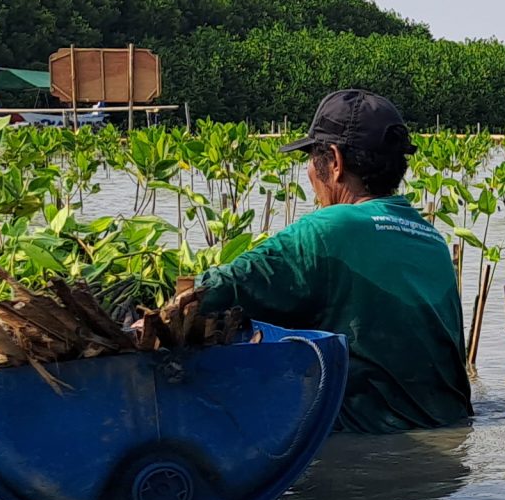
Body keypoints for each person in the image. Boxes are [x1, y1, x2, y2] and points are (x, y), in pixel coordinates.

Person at [163, 89, 472, 434]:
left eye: (311, 159)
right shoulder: (432, 240)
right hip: (449, 440)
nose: (310, 172)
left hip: (363, 445)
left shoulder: (329, 229)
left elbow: (216, 291)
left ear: (335, 162)